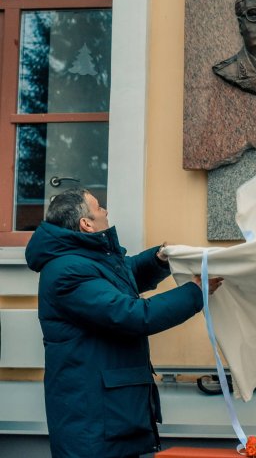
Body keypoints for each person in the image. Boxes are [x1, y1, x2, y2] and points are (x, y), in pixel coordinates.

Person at [25, 189, 223, 458]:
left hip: (108, 413)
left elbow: (123, 275)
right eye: (99, 207)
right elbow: (131, 315)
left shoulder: (83, 260)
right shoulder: (67, 272)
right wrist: (195, 292)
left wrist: (159, 259)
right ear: (86, 223)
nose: (105, 211)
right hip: (92, 422)